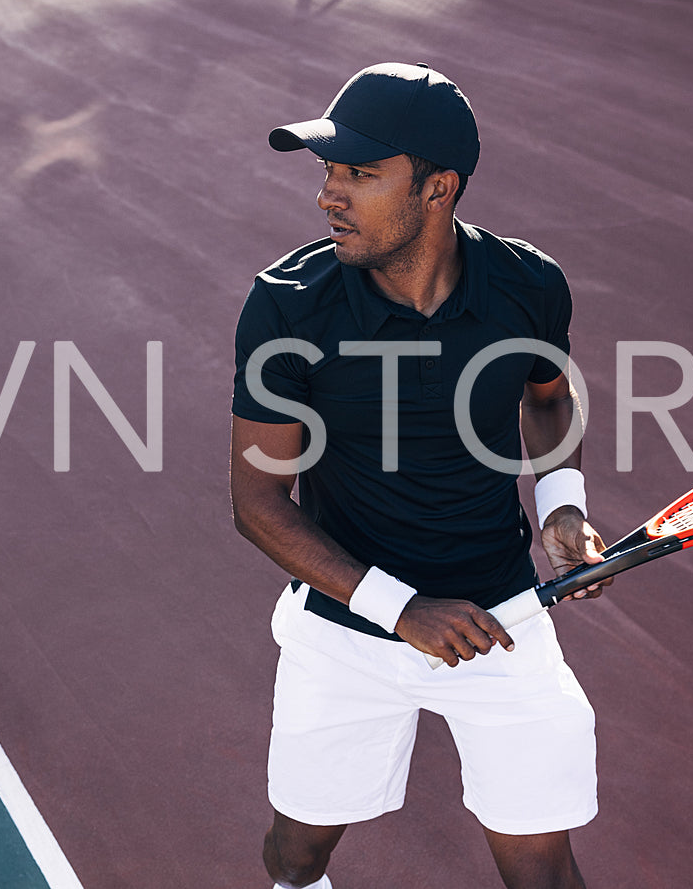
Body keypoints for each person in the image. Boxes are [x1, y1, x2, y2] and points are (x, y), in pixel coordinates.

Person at [229, 63, 614, 889]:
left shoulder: (527, 284)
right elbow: (258, 502)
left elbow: (548, 395)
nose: (330, 195)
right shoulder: (287, 308)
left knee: (544, 870)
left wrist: (560, 505)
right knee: (296, 854)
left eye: (360, 175)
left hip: (502, 617)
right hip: (344, 631)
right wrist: (401, 611)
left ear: (438, 188)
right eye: (328, 171)